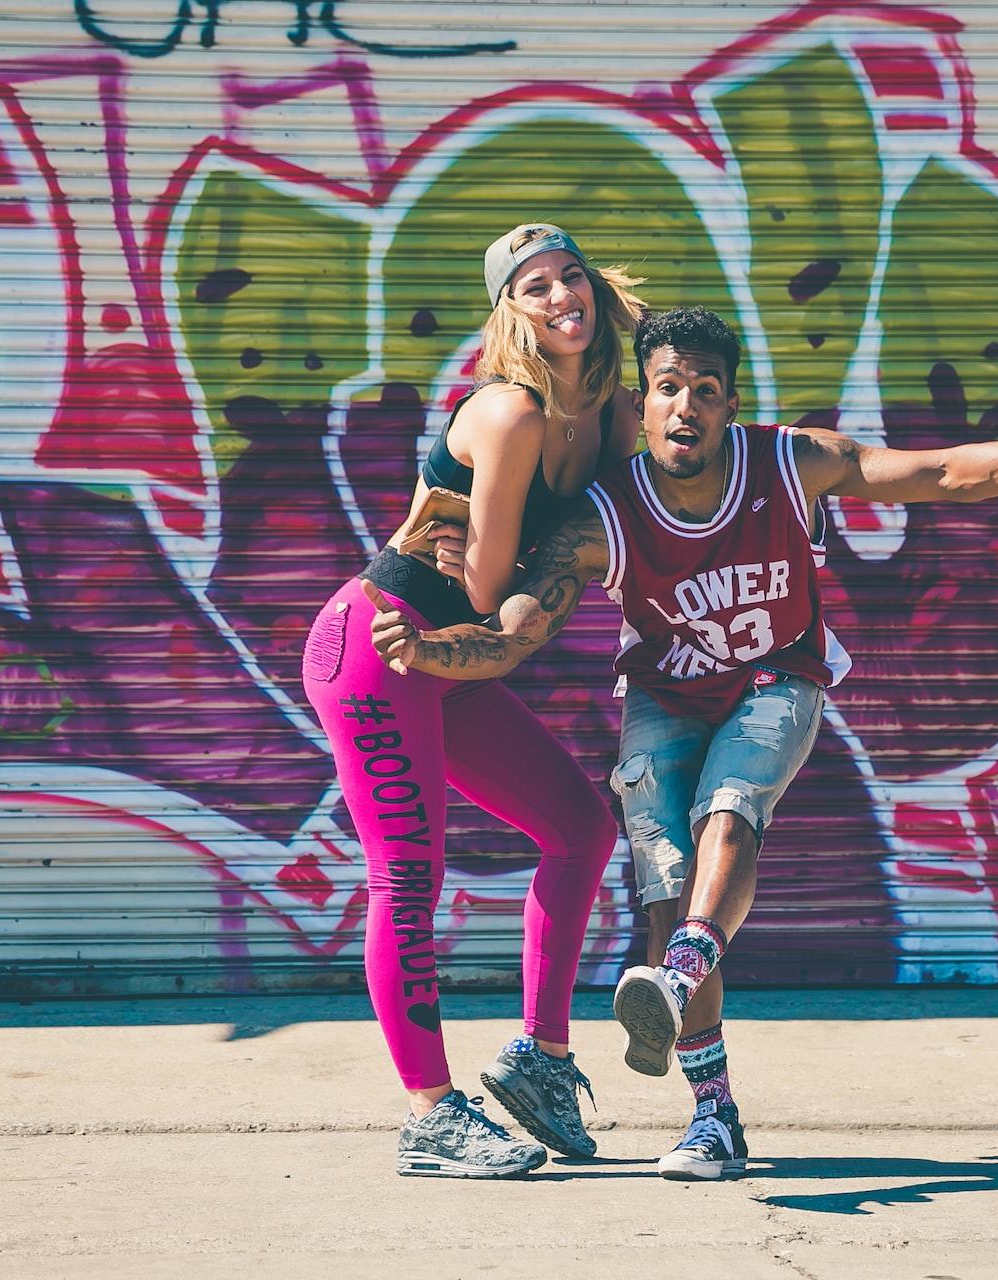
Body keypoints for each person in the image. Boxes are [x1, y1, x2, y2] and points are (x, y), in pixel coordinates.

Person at [364, 306, 998, 1180]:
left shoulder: (788, 460)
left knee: (730, 810)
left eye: (706, 391)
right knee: (668, 891)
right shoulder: (606, 516)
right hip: (664, 696)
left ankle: (678, 976)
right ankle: (715, 1121)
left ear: (730, 403)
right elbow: (520, 626)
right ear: (642, 406)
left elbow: (930, 471)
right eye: (669, 388)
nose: (686, 407)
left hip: (776, 678)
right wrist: (437, 650)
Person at [301, 224, 647, 1178]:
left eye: (570, 275)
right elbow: (497, 592)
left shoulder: (611, 414)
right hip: (379, 647)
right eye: (533, 286)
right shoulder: (510, 415)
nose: (560, 295)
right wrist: (556, 557)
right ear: (510, 313)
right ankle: (428, 1114)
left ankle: (540, 1056)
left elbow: (637, 514)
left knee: (582, 829)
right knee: (407, 876)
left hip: (454, 666)